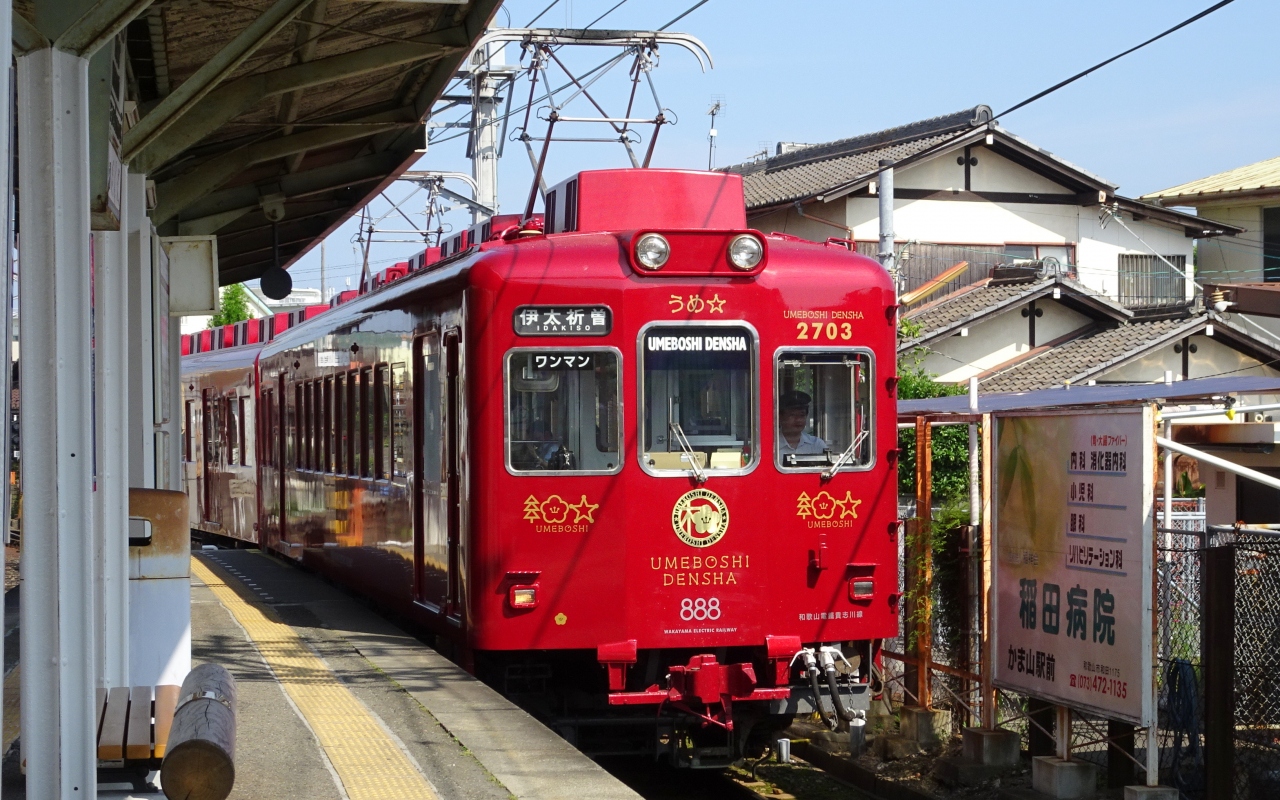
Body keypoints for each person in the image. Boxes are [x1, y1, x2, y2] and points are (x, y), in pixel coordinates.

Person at [778, 390, 827, 455]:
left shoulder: (817, 445)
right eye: (792, 415)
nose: (798, 420)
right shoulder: (770, 444)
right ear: (780, 417)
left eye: (802, 415)